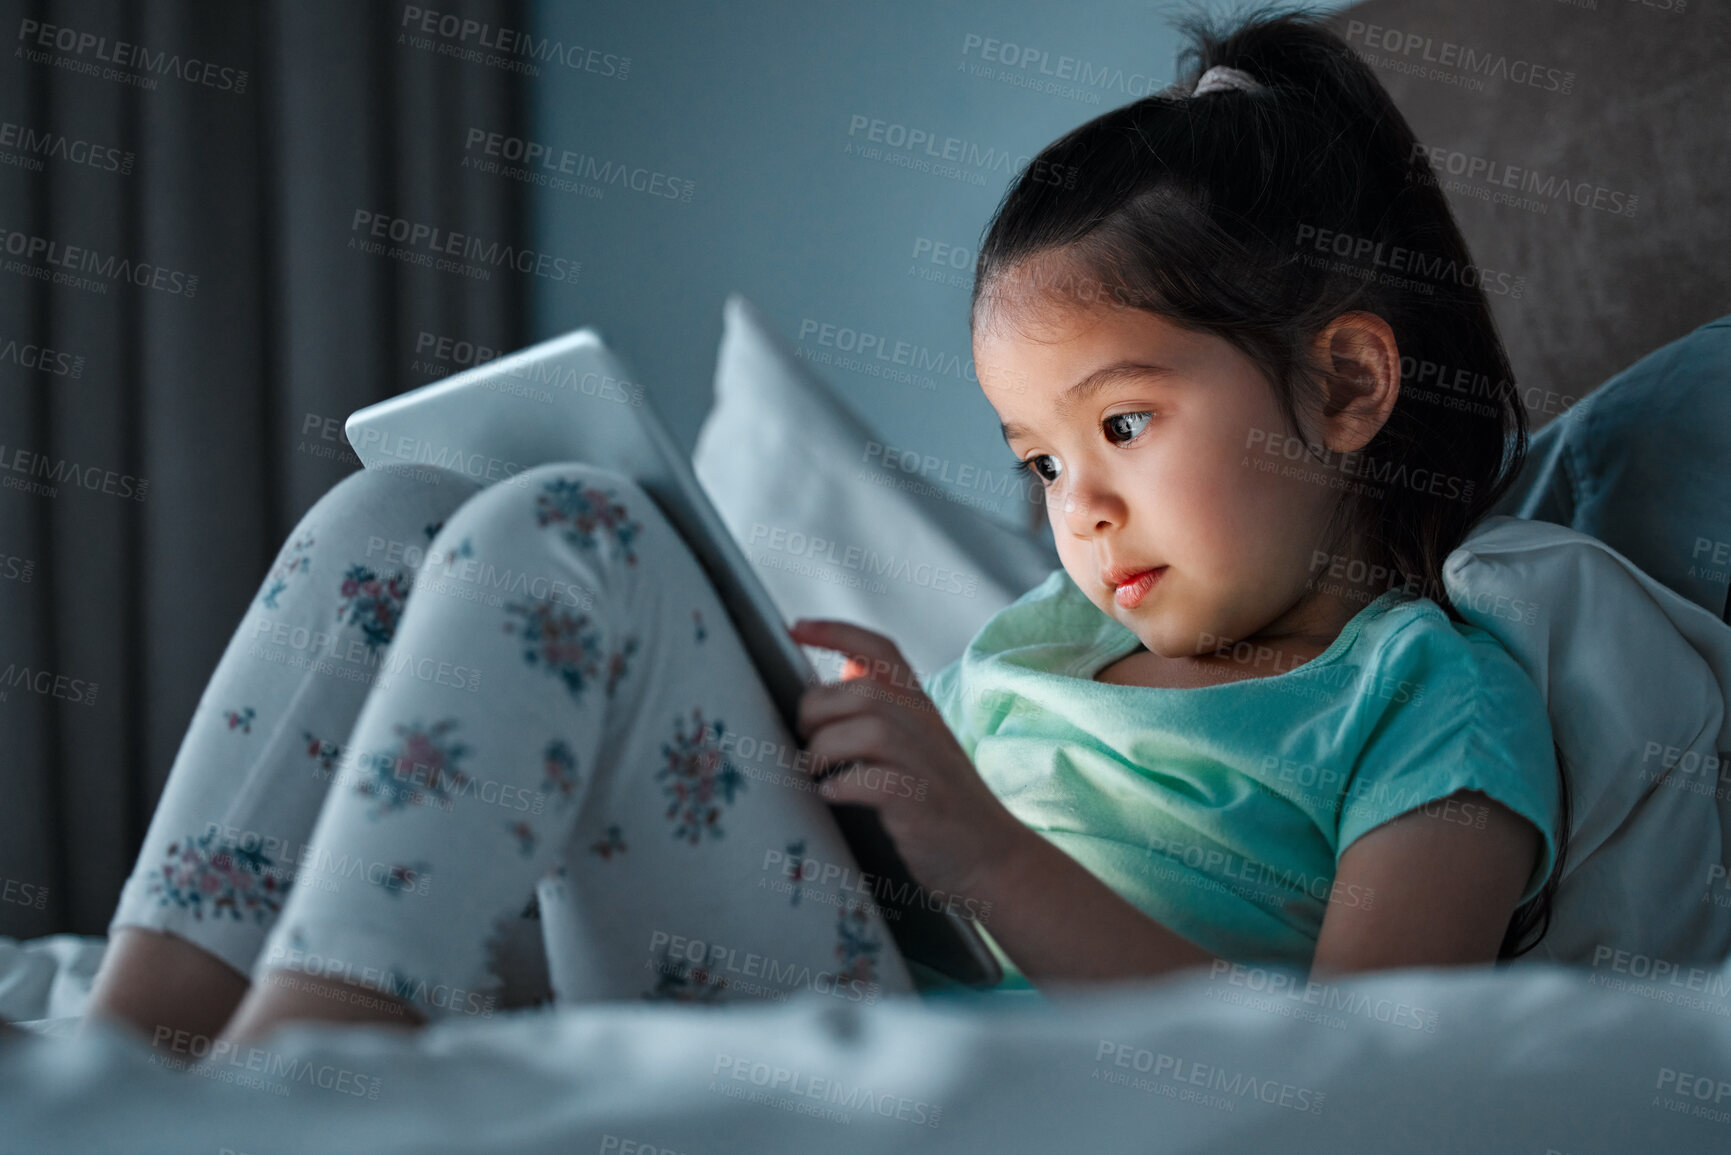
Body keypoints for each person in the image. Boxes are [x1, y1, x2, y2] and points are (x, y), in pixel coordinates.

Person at [83, 3, 1568, 1048]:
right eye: (1038, 463)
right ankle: (134, 1048)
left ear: (1354, 383)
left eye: (1122, 425)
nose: (1082, 505)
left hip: (959, 1075)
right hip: (795, 965)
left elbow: (1373, 1077)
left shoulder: (1433, 698)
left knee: (574, 538)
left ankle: (298, 1082)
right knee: (399, 511)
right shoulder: (1034, 651)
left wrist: (980, 853)